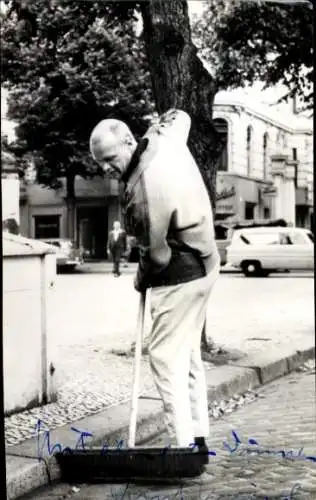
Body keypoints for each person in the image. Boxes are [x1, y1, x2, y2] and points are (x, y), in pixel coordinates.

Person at [89, 109, 220, 457]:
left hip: (178, 273)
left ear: (129, 142)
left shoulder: (143, 191)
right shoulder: (162, 138)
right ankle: (199, 437)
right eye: (100, 162)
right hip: (207, 265)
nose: (105, 168)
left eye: (110, 158)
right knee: (189, 354)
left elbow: (157, 257)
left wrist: (139, 278)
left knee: (163, 357)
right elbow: (182, 117)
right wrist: (161, 120)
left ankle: (183, 448)